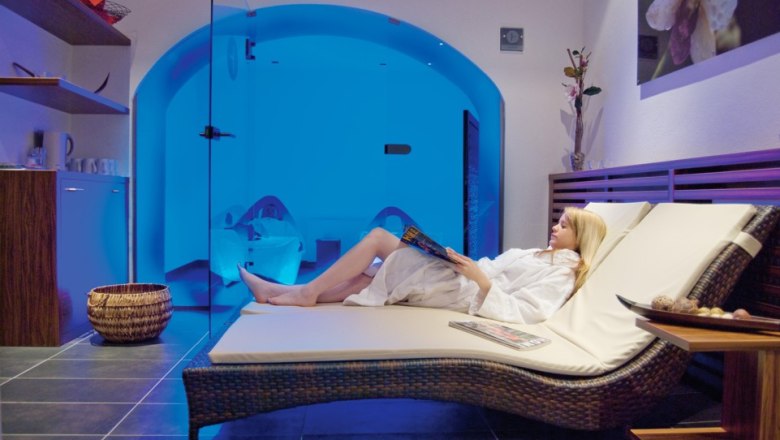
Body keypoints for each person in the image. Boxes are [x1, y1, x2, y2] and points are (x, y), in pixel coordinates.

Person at [238, 207, 606, 324]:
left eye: (563, 225)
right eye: (557, 221)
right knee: (373, 275)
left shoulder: (563, 271)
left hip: (464, 293)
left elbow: (530, 312)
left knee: (380, 238)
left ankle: (305, 292)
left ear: (582, 236)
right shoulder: (539, 255)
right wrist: (458, 261)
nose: (554, 228)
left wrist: (479, 278)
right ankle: (279, 291)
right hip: (464, 278)